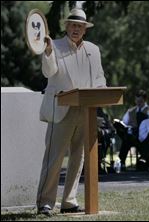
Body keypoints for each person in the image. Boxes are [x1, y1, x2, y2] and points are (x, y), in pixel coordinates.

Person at [36, 8, 106, 216]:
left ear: (85, 29)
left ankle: (69, 201)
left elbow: (100, 77)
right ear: (66, 27)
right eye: (73, 25)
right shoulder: (53, 46)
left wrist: (101, 91)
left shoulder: (94, 49)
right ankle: (45, 202)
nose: (76, 29)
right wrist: (47, 53)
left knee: (79, 157)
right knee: (54, 157)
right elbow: (48, 72)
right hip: (61, 108)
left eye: (80, 26)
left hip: (86, 110)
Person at [114, 89, 149, 170]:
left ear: (145, 100)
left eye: (140, 101)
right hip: (132, 134)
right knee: (127, 138)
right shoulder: (131, 111)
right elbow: (124, 122)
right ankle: (122, 162)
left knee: (127, 140)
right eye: (137, 101)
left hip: (144, 136)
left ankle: (122, 161)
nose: (138, 103)